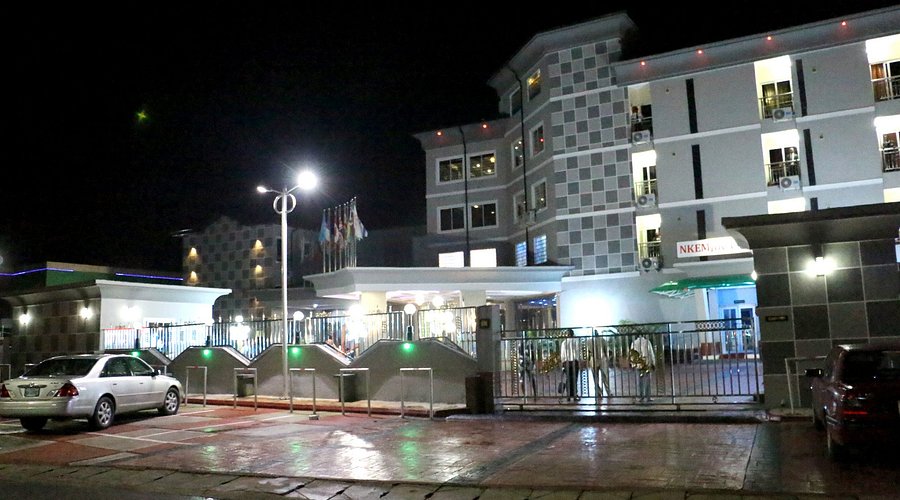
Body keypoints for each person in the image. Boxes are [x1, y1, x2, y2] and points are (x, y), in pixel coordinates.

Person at [630, 335, 655, 402]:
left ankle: (641, 396)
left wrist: (633, 364)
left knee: (639, 380)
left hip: (638, 364)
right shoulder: (647, 342)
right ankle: (648, 396)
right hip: (646, 363)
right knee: (648, 380)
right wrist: (653, 362)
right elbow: (651, 353)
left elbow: (632, 355)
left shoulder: (634, 343)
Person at [587, 330, 612, 399]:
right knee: (605, 376)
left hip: (593, 359)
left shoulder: (589, 341)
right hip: (602, 358)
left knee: (595, 377)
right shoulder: (602, 339)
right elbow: (607, 349)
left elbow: (587, 352)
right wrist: (608, 358)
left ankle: (598, 392)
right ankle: (608, 392)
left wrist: (588, 360)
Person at [559, 329, 581, 402]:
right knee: (575, 379)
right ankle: (574, 395)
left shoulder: (564, 343)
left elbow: (562, 355)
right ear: (573, 334)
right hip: (574, 362)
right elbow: (578, 352)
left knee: (568, 379)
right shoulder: (576, 342)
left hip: (567, 363)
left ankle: (568, 395)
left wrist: (563, 363)